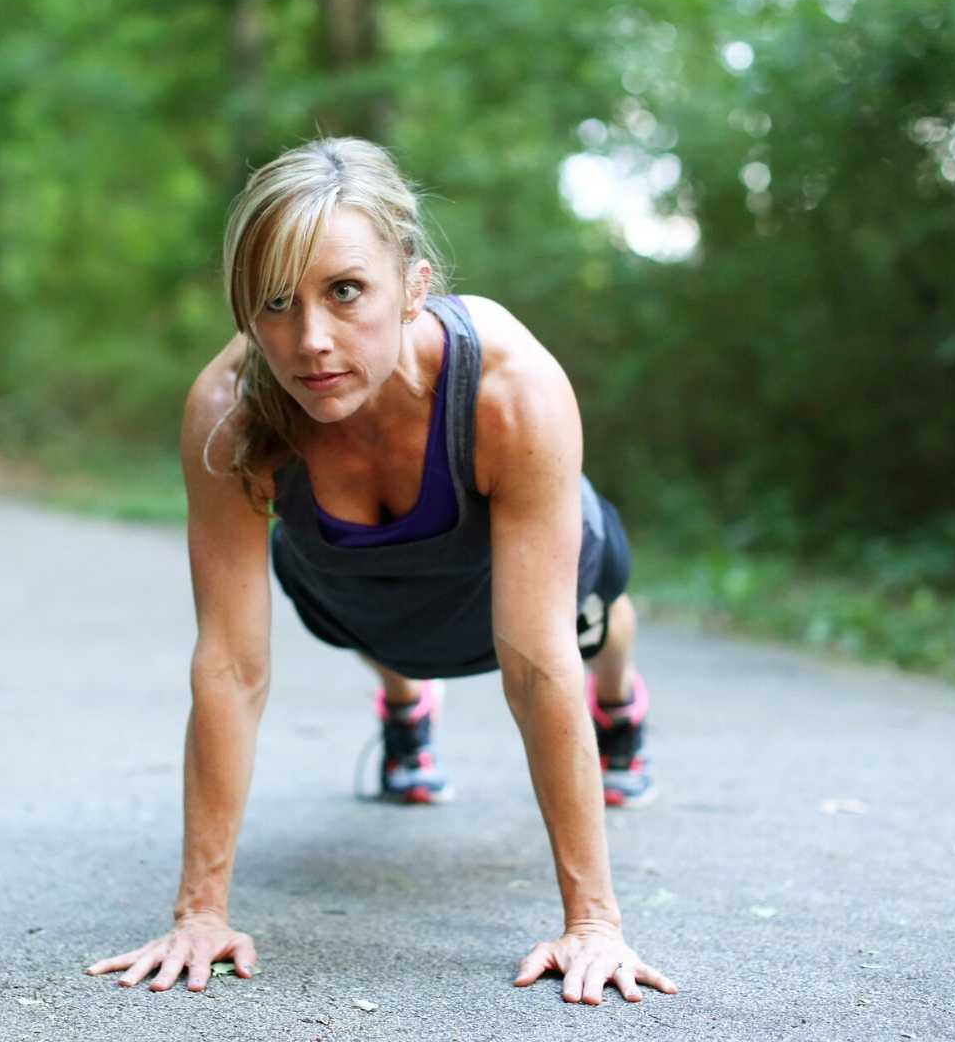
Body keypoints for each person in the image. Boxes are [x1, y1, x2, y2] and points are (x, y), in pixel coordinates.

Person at [87, 138, 676, 1007]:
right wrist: (199, 913)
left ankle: (621, 703)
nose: (311, 342)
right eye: (277, 303)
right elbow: (230, 664)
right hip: (362, 586)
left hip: (541, 579)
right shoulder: (230, 409)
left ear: (415, 287)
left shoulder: (511, 389)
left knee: (590, 632)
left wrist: (593, 923)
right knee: (360, 594)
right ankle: (407, 702)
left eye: (346, 291)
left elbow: (534, 661)